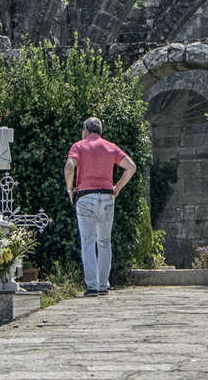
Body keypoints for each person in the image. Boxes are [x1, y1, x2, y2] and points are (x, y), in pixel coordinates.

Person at [64, 116, 136, 296]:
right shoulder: (111, 147)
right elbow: (131, 167)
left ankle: (92, 286)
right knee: (104, 241)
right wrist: (117, 187)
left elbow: (69, 166)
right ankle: (103, 284)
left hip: (85, 197)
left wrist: (69, 190)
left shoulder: (78, 146)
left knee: (88, 242)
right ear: (100, 132)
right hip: (106, 197)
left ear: (85, 130)